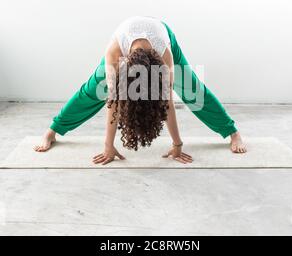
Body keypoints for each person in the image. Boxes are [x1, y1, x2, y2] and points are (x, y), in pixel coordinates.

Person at [34, 16, 246, 165]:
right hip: (125, 40)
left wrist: (177, 144)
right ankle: (51, 132)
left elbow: (167, 102)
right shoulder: (114, 53)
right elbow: (113, 101)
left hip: (163, 36)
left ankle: (233, 133)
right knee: (92, 91)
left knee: (194, 92)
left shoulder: (165, 57)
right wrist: (108, 145)